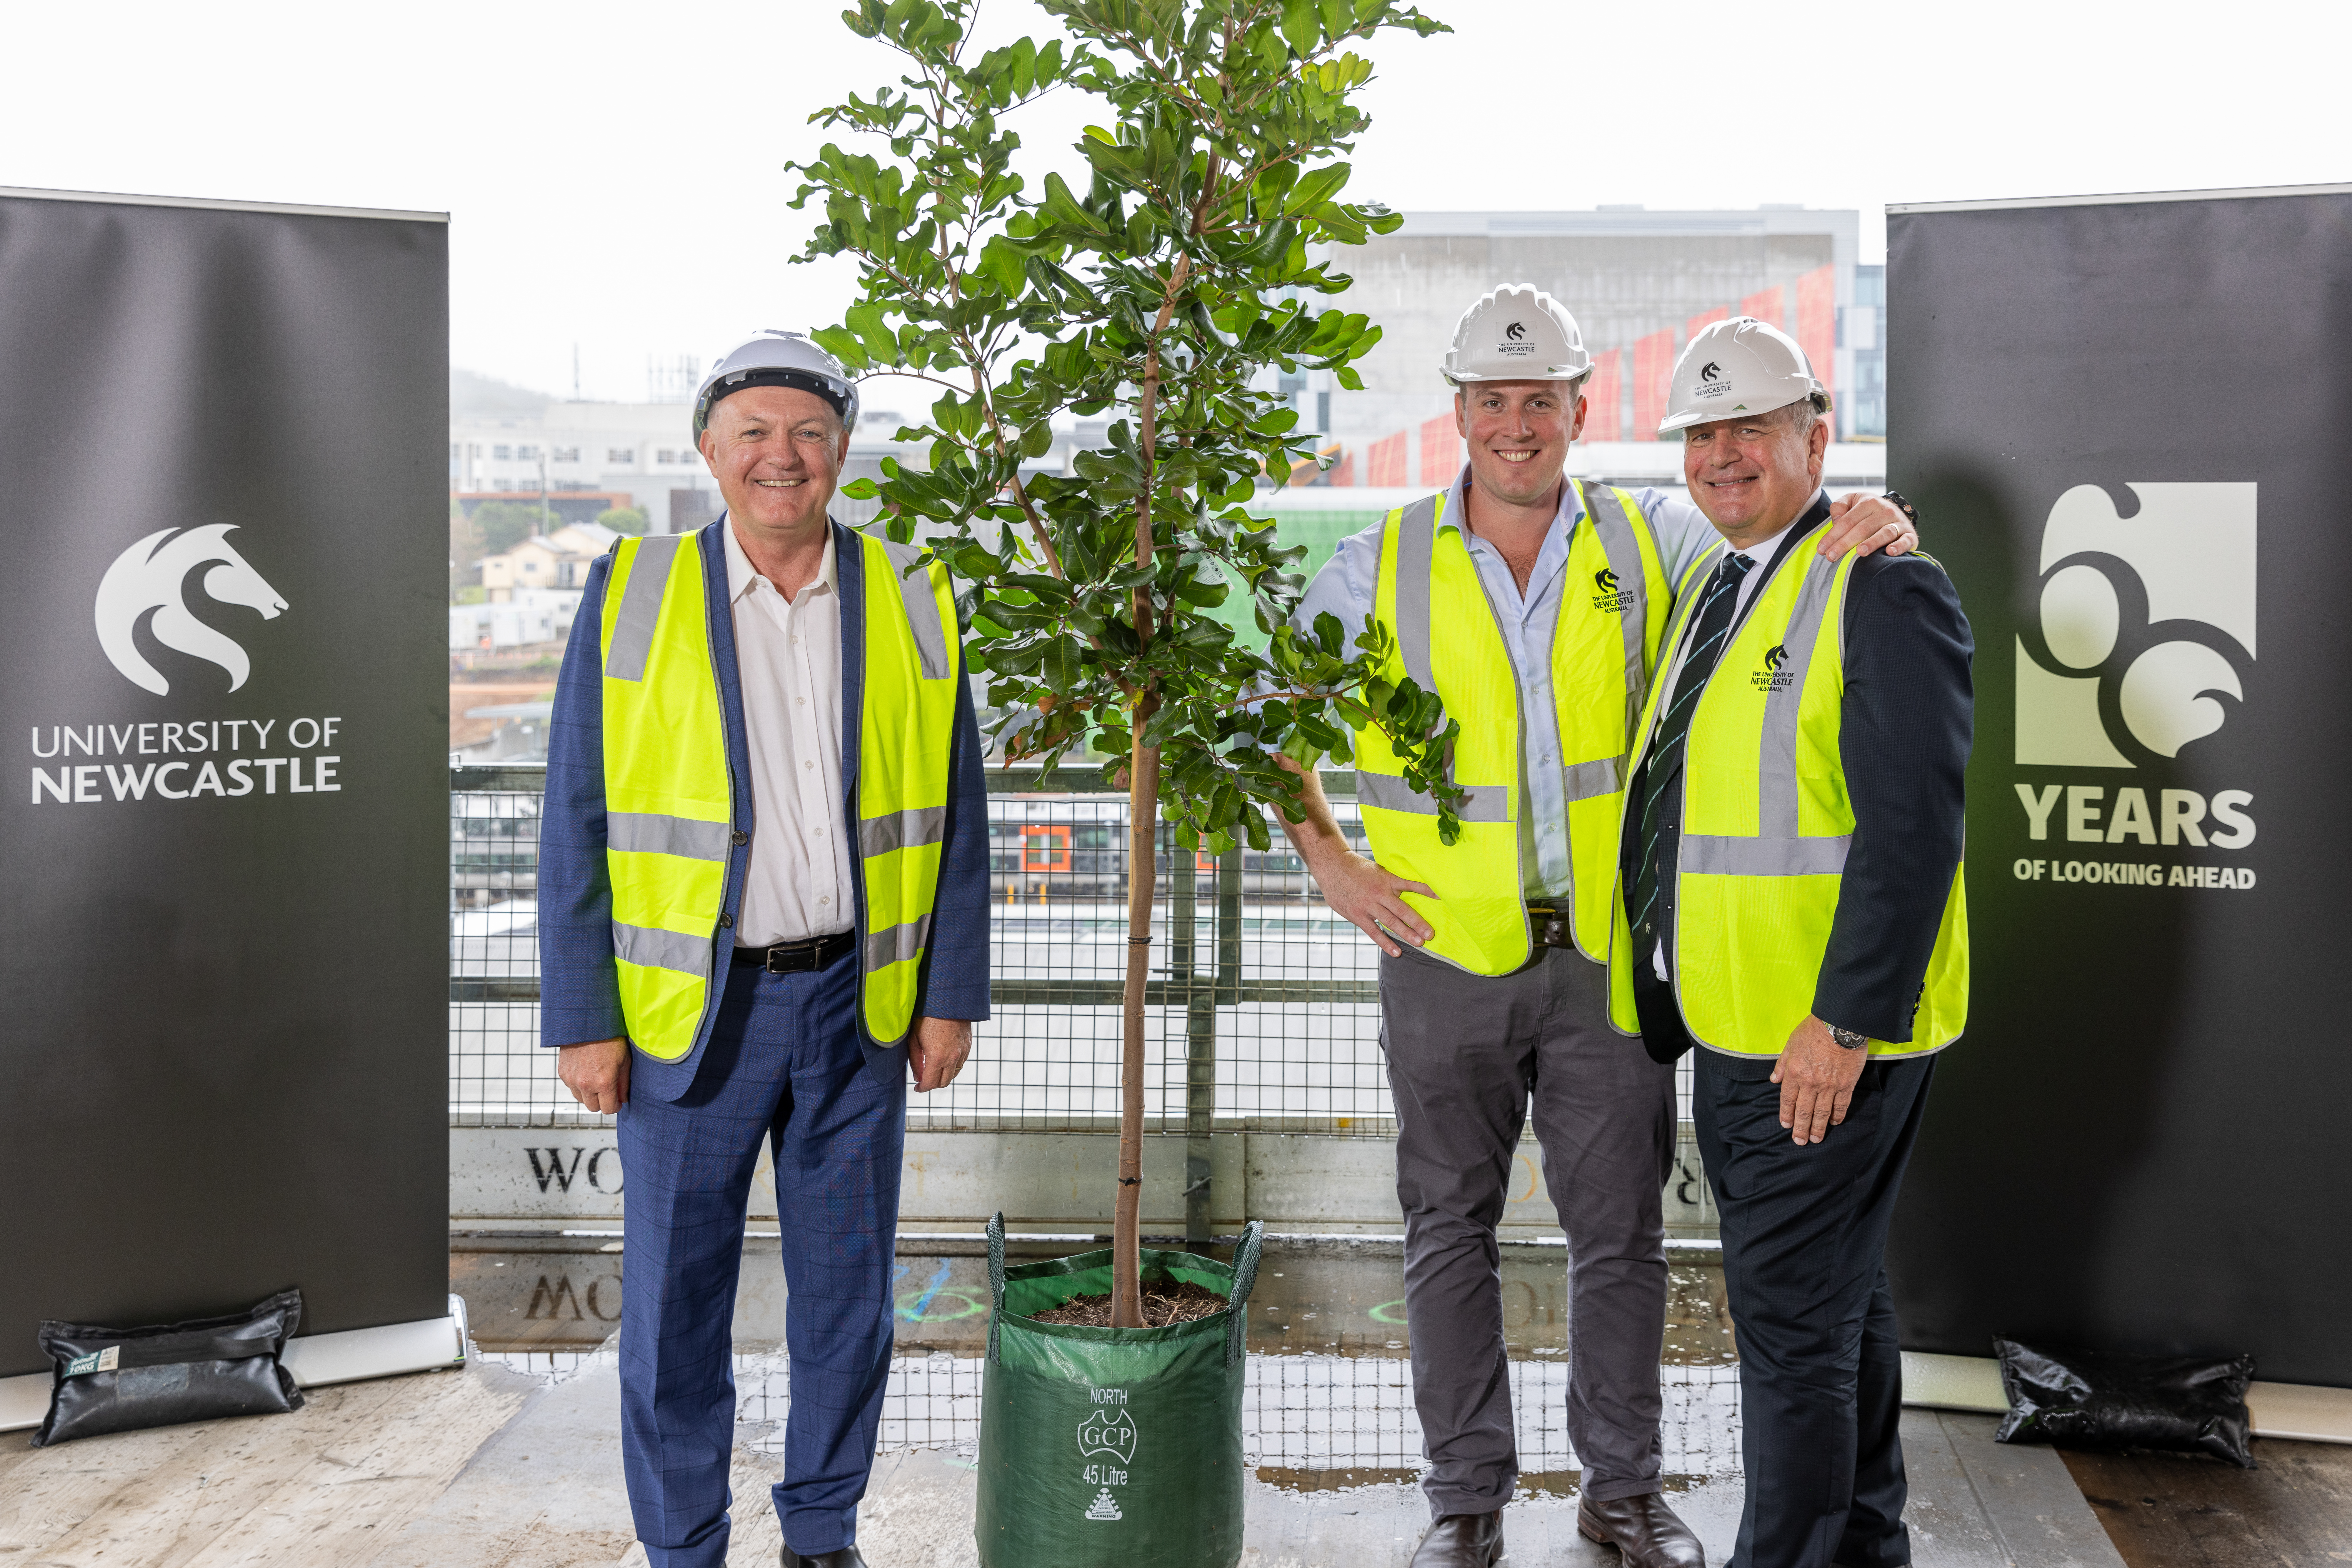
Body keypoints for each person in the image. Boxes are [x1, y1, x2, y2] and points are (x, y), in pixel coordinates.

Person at [1271, 285, 1920, 1568]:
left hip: (1607, 964)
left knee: (1619, 1233)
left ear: (1578, 409)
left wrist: (1877, 518)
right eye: (1492, 401)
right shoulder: (1374, 564)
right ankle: (1464, 1498)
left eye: (1540, 400)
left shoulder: (1652, 543)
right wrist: (1329, 862)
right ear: (1458, 412)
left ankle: (1621, 1492)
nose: (1517, 425)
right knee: (1444, 1225)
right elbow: (1257, 723)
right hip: (1443, 954)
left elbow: (1777, 550)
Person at [539, 330, 990, 1568]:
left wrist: (948, 991)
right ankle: (684, 1545)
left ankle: (822, 1531)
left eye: (805, 432)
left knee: (845, 1303)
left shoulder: (911, 592)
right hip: (689, 1014)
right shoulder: (631, 590)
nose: (779, 458)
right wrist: (583, 1014)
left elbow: (953, 811)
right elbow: (577, 810)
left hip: (860, 1003)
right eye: (753, 433)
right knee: (673, 1311)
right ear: (709, 450)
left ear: (840, 452)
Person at [1611, 315, 1971, 1568]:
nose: (1719, 456)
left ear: (1813, 435)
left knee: (1788, 1334)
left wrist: (1842, 1021)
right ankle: (1862, 1548)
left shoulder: (1880, 581)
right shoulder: (1729, 580)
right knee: (1837, 1308)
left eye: (1747, 429)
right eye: (1699, 434)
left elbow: (1911, 825)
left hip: (1816, 1037)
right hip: (1743, 1018)